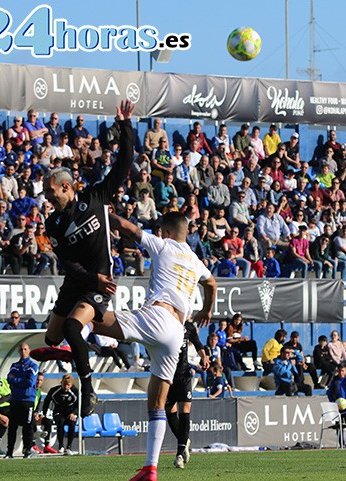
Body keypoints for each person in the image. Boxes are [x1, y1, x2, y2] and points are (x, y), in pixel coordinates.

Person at [91, 211, 217, 481]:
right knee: (157, 403)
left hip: (157, 317)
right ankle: (151, 468)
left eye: (160, 230)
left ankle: (71, 344)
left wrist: (101, 210)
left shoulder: (162, 245)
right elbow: (211, 283)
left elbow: (126, 226)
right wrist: (206, 310)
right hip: (176, 332)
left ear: (166, 232)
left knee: (91, 318)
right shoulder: (195, 260)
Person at [39, 100, 136, 417]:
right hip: (80, 280)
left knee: (69, 328)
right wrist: (90, 278)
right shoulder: (52, 223)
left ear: (66, 187)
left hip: (100, 281)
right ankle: (89, 343)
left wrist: (124, 126)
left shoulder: (94, 197)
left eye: (51, 193)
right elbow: (67, 264)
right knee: (52, 338)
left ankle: (88, 386)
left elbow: (123, 164)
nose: (49, 199)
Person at [167, 320, 208, 469]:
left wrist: (204, 356)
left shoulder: (188, 327)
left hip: (183, 377)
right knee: (170, 414)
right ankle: (184, 440)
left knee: (185, 413)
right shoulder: (164, 322)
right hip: (166, 376)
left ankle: (179, 454)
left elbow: (197, 343)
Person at [5, 343, 39, 459]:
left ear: (29, 350)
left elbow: (30, 382)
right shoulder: (15, 365)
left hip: (27, 400)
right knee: (12, 426)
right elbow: (9, 379)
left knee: (28, 426)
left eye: (25, 349)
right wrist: (21, 380)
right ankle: (9, 452)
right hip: (15, 399)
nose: (23, 351)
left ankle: (27, 449)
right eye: (21, 349)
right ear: (18, 351)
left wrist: (17, 381)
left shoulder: (33, 366)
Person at [41, 374, 79, 455]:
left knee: (72, 423)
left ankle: (69, 447)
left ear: (71, 385)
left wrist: (74, 413)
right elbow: (46, 402)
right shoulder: (54, 391)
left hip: (70, 412)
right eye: (64, 384)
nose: (66, 387)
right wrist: (44, 413)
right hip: (59, 412)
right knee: (60, 421)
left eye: (68, 385)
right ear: (61, 383)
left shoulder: (75, 391)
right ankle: (61, 446)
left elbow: (79, 404)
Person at [326, 363, 346, 448]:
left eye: (343, 371)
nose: (341, 372)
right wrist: (334, 403)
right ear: (337, 371)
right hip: (337, 407)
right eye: (340, 371)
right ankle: (342, 444)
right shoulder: (334, 381)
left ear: (345, 371)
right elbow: (329, 394)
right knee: (339, 425)